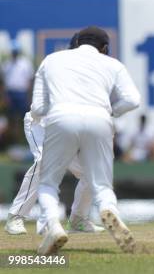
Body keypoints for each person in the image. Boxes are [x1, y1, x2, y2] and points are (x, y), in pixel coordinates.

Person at [31, 26, 141, 254]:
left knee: (48, 182)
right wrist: (112, 112)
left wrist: (62, 108)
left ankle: (52, 224)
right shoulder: (112, 64)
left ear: (77, 42)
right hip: (100, 119)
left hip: (61, 117)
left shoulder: (51, 59)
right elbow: (133, 100)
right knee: (101, 183)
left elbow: (38, 108)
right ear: (105, 48)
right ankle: (109, 211)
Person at [5, 34, 104, 236]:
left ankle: (78, 219)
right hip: (40, 124)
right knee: (43, 162)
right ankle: (16, 217)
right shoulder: (59, 65)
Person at [2, 41, 34, 143]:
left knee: (24, 119)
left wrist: (29, 96)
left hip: (22, 93)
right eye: (13, 51)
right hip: (11, 93)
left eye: (15, 51)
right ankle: (12, 141)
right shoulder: (6, 64)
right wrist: (5, 96)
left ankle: (24, 141)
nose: (14, 53)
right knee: (11, 119)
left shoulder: (25, 63)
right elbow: (3, 82)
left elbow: (29, 80)